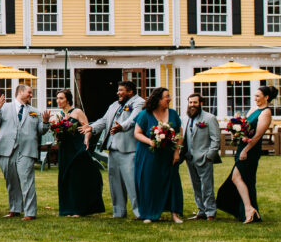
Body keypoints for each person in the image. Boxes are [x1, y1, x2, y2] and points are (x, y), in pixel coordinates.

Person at [83, 80, 144, 219]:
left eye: (121, 90)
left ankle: (139, 212)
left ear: (130, 91)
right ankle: (119, 212)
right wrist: (91, 128)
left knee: (132, 183)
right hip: (112, 148)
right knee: (115, 183)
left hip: (129, 149)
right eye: (118, 90)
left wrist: (122, 126)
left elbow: (134, 119)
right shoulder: (115, 105)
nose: (118, 93)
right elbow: (104, 121)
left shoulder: (139, 102)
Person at [216, 85, 274, 223]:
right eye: (254, 96)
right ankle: (249, 210)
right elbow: (246, 128)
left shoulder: (266, 112)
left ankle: (249, 209)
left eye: (258, 96)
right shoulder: (254, 109)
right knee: (242, 179)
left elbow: (258, 135)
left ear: (266, 97)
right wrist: (237, 132)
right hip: (243, 146)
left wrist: (246, 150)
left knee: (237, 177)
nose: (255, 99)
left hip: (251, 150)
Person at [0, 84, 49, 220]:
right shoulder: (4, 108)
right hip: (6, 149)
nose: (31, 95)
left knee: (27, 181)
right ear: (20, 92)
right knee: (11, 181)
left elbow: (41, 130)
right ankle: (15, 209)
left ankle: (30, 213)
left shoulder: (35, 111)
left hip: (27, 150)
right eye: (29, 92)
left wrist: (45, 122)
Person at [133, 87, 184, 224]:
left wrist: (177, 152)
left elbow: (179, 133)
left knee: (172, 182)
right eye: (167, 97)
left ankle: (174, 214)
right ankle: (149, 213)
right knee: (149, 182)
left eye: (169, 96)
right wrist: (150, 141)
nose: (169, 99)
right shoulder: (145, 114)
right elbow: (137, 133)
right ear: (158, 99)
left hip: (168, 154)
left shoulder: (173, 113)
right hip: (148, 154)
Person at [53, 90, 104, 217]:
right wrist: (57, 135)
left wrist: (87, 139)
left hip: (77, 148)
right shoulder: (59, 114)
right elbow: (59, 133)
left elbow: (87, 128)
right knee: (66, 177)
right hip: (65, 149)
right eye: (57, 98)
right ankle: (68, 208)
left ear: (68, 100)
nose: (58, 101)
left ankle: (80, 209)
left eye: (61, 98)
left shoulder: (77, 112)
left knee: (77, 178)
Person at [181, 92, 221, 220]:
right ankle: (201, 210)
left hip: (204, 157)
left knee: (207, 186)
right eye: (190, 102)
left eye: (195, 103)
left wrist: (209, 155)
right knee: (196, 186)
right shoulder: (186, 118)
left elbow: (216, 140)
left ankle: (210, 212)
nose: (192, 105)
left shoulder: (209, 118)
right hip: (190, 158)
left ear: (201, 104)